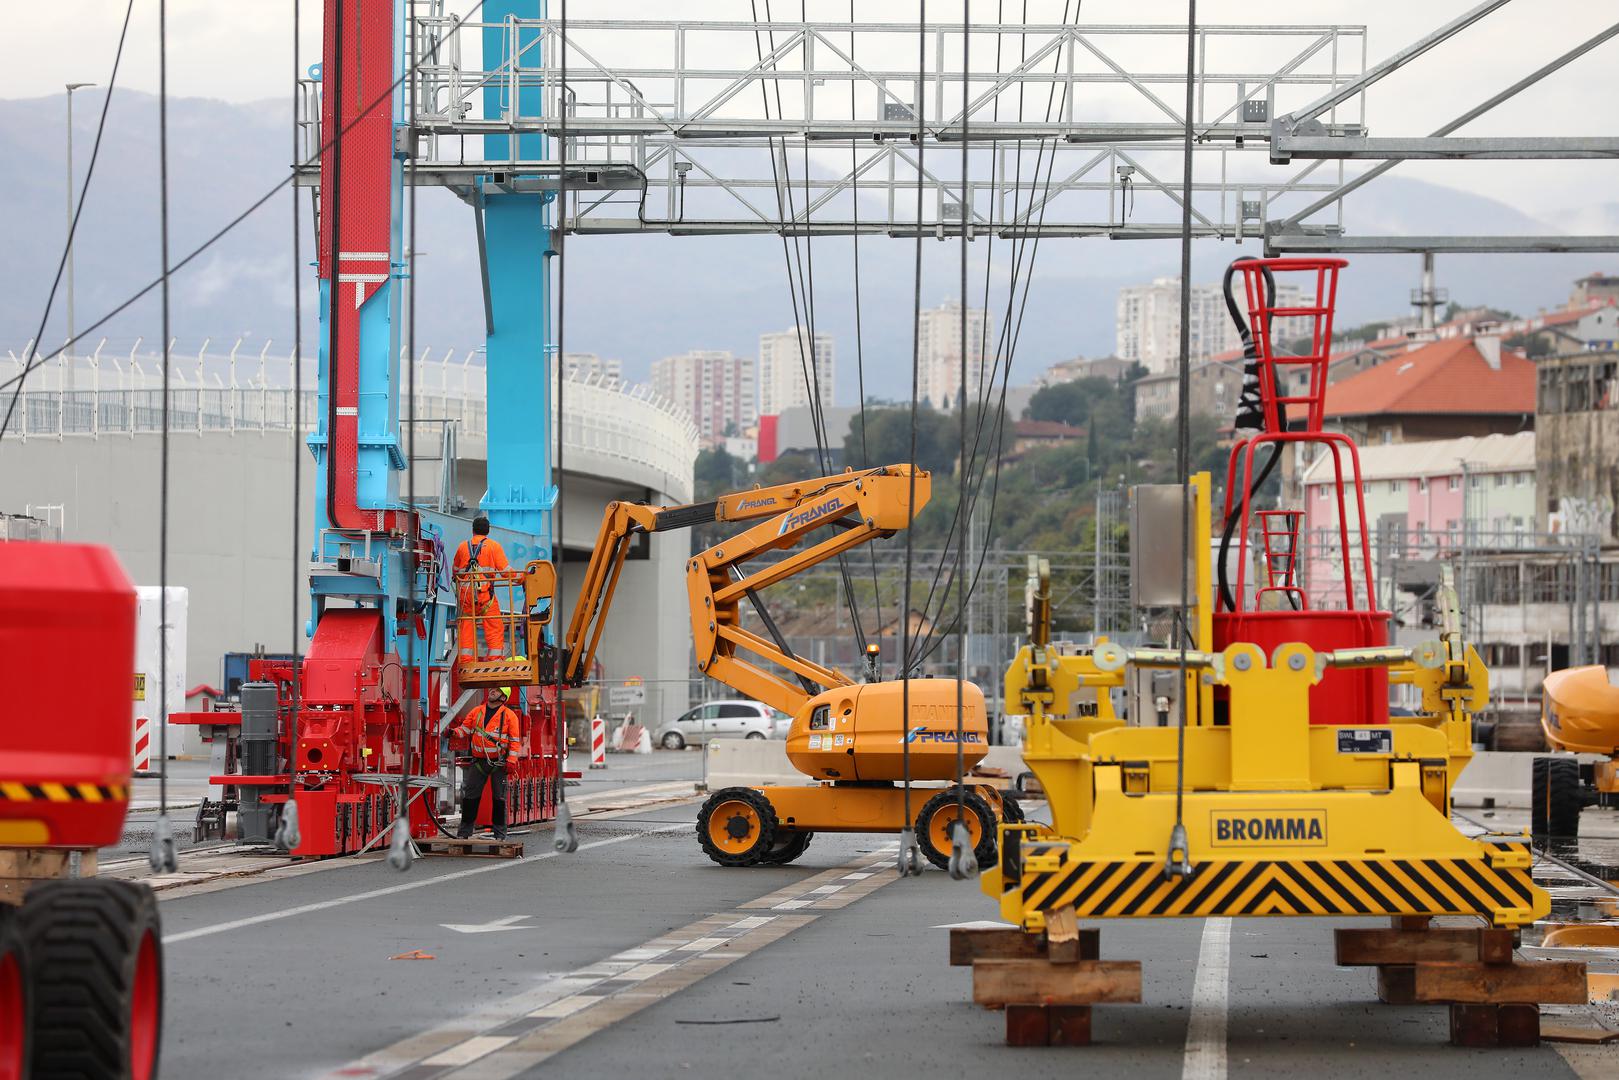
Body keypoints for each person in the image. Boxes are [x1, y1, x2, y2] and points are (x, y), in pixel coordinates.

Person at [453, 685, 521, 840]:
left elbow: (515, 741)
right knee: (470, 798)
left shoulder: (510, 716)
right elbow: (465, 729)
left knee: (499, 799)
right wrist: (454, 733)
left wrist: (511, 761)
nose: (493, 691)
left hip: (499, 764)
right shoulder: (477, 711)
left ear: (503, 698)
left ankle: (500, 835)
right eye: (493, 689)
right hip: (479, 762)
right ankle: (464, 833)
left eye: (497, 691)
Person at [453, 516, 509, 661]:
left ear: (473, 530)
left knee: (466, 626)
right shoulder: (494, 547)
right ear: (488, 531)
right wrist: (522, 578)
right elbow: (505, 571)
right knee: (494, 625)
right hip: (485, 597)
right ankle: (495, 659)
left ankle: (466, 661)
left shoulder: (462, 547)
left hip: (465, 597)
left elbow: (455, 571)